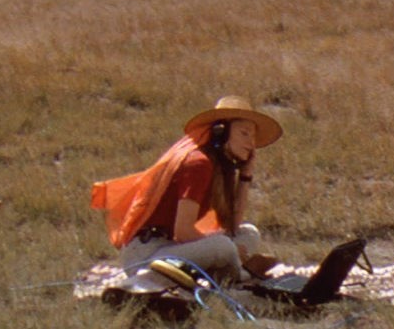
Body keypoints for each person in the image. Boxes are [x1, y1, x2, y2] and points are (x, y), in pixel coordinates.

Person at [91, 95, 283, 284]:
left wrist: (245, 176)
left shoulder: (221, 167)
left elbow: (233, 223)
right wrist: (230, 249)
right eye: (244, 133)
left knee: (248, 232)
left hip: (170, 247)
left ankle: (223, 272)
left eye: (253, 136)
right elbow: (183, 232)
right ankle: (242, 275)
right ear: (221, 132)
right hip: (146, 254)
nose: (251, 143)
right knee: (223, 246)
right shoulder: (198, 164)